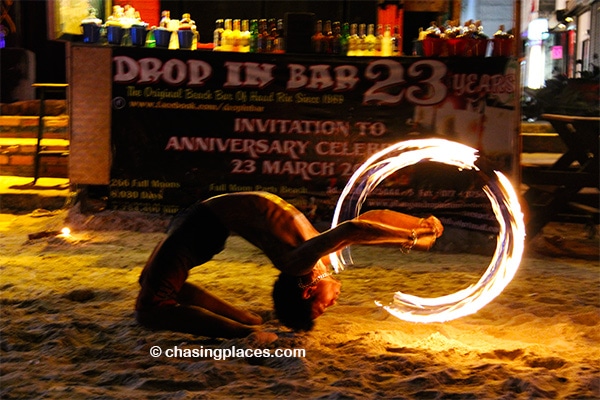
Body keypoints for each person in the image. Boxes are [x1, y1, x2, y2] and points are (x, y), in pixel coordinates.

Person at [135, 191, 443, 340]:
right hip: (206, 221)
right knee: (151, 283)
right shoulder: (316, 260)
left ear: (307, 293)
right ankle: (247, 322)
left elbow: (354, 229)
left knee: (151, 308)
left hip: (202, 224)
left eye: (322, 307)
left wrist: (412, 234)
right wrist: (415, 228)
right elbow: (368, 223)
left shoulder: (298, 264)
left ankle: (245, 330)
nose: (332, 303)